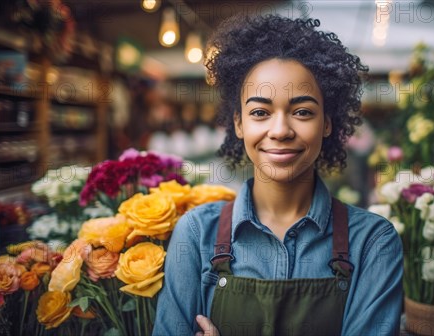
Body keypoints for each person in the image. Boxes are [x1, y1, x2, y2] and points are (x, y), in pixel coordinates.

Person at [153, 14, 403, 336]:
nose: (281, 130)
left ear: (327, 122)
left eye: (302, 112)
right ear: (239, 124)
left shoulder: (372, 242)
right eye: (260, 112)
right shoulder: (197, 234)